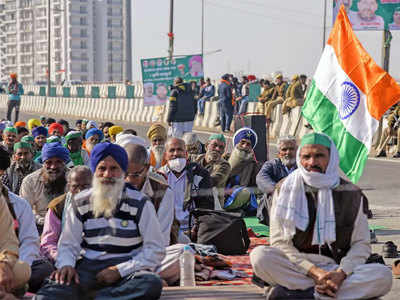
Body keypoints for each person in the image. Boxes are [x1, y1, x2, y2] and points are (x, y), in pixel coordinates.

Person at [250, 133, 392, 299]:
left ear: (331, 158)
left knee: (383, 275)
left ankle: (305, 294)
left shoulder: (351, 194)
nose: (312, 163)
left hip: (337, 266)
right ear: (299, 158)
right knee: (260, 257)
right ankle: (330, 292)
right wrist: (314, 272)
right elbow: (279, 243)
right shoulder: (284, 189)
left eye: (319, 156)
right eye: (306, 157)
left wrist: (341, 274)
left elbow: (361, 244)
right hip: (297, 265)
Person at [35, 143, 164, 300]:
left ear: (123, 172)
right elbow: (68, 243)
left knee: (151, 284)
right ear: (95, 172)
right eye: (102, 168)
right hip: (88, 268)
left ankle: (97, 297)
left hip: (127, 269)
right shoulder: (80, 201)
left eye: (114, 168)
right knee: (50, 292)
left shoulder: (140, 202)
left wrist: (119, 270)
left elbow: (156, 249)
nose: (107, 174)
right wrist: (66, 265)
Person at [122, 143, 175, 246]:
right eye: (125, 173)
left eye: (135, 175)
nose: (128, 180)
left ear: (146, 169)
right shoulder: (113, 187)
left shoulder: (164, 194)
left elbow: (161, 240)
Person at [158, 138, 214, 236]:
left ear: (186, 154)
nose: (176, 153)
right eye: (172, 150)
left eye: (180, 150)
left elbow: (207, 208)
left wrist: (196, 229)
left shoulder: (200, 174)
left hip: (193, 228)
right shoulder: (159, 177)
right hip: (167, 230)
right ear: (165, 156)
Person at [40, 166, 92, 264]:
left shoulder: (103, 205)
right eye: (75, 186)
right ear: (68, 186)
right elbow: (48, 243)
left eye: (85, 186)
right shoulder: (57, 206)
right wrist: (63, 260)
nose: (80, 191)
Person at [20, 143, 69, 229]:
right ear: (43, 163)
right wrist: (44, 221)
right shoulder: (30, 181)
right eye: (49, 162)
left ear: (64, 162)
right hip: (39, 226)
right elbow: (25, 211)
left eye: (58, 162)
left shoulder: (74, 179)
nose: (53, 167)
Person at [189, 134, 231, 208]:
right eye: (214, 145)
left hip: (212, 204)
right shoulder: (194, 158)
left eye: (221, 147)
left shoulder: (224, 165)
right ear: (206, 146)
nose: (217, 149)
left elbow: (210, 182)